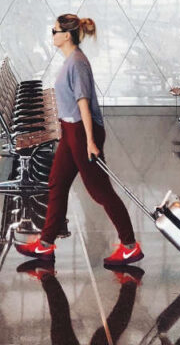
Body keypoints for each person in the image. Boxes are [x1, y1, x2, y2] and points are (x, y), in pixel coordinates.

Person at [16, 14, 143, 265]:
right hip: (70, 130)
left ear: (67, 35)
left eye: (54, 31)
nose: (52, 35)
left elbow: (83, 103)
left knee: (99, 191)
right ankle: (45, 244)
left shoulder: (77, 63)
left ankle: (130, 245)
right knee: (57, 182)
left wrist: (90, 142)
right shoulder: (69, 61)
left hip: (82, 133)